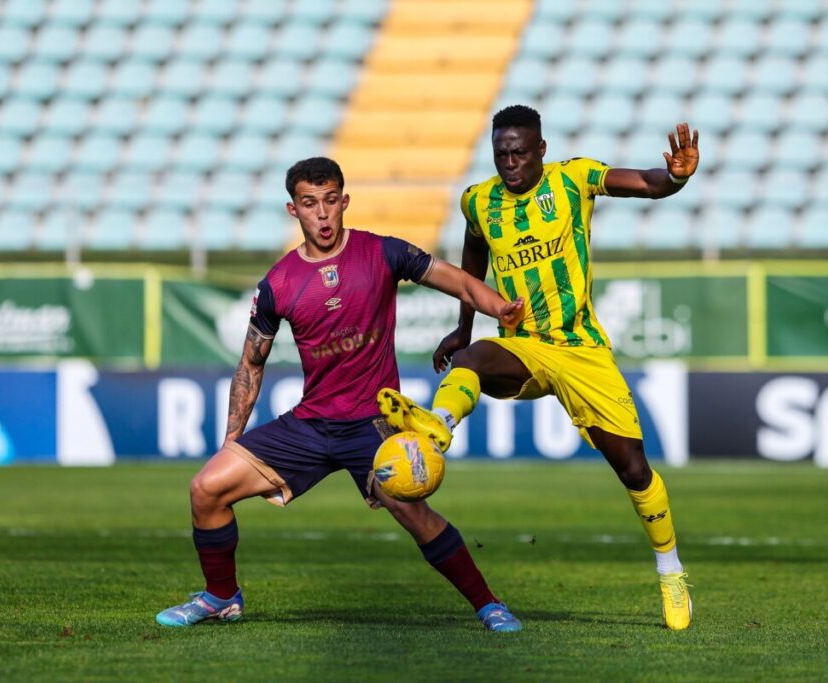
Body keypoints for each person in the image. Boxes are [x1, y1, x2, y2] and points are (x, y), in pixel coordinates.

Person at [156, 157, 526, 632]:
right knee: (206, 488)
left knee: (411, 508)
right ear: (294, 210)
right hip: (310, 424)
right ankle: (221, 596)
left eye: (331, 201)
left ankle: (488, 604)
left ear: (344, 201)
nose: (323, 214)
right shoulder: (279, 283)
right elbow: (252, 362)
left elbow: (451, 277)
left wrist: (499, 306)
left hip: (372, 424)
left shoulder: (382, 253)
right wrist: (232, 437)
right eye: (311, 204)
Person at [377, 105, 700, 631]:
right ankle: (438, 428)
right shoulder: (478, 201)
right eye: (501, 153)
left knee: (634, 469)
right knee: (471, 359)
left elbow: (644, 181)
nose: (510, 163)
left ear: (541, 151)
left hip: (582, 351)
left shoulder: (572, 180)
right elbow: (471, 261)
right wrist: (464, 324)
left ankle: (670, 570)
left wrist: (676, 178)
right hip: (523, 345)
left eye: (519, 153)